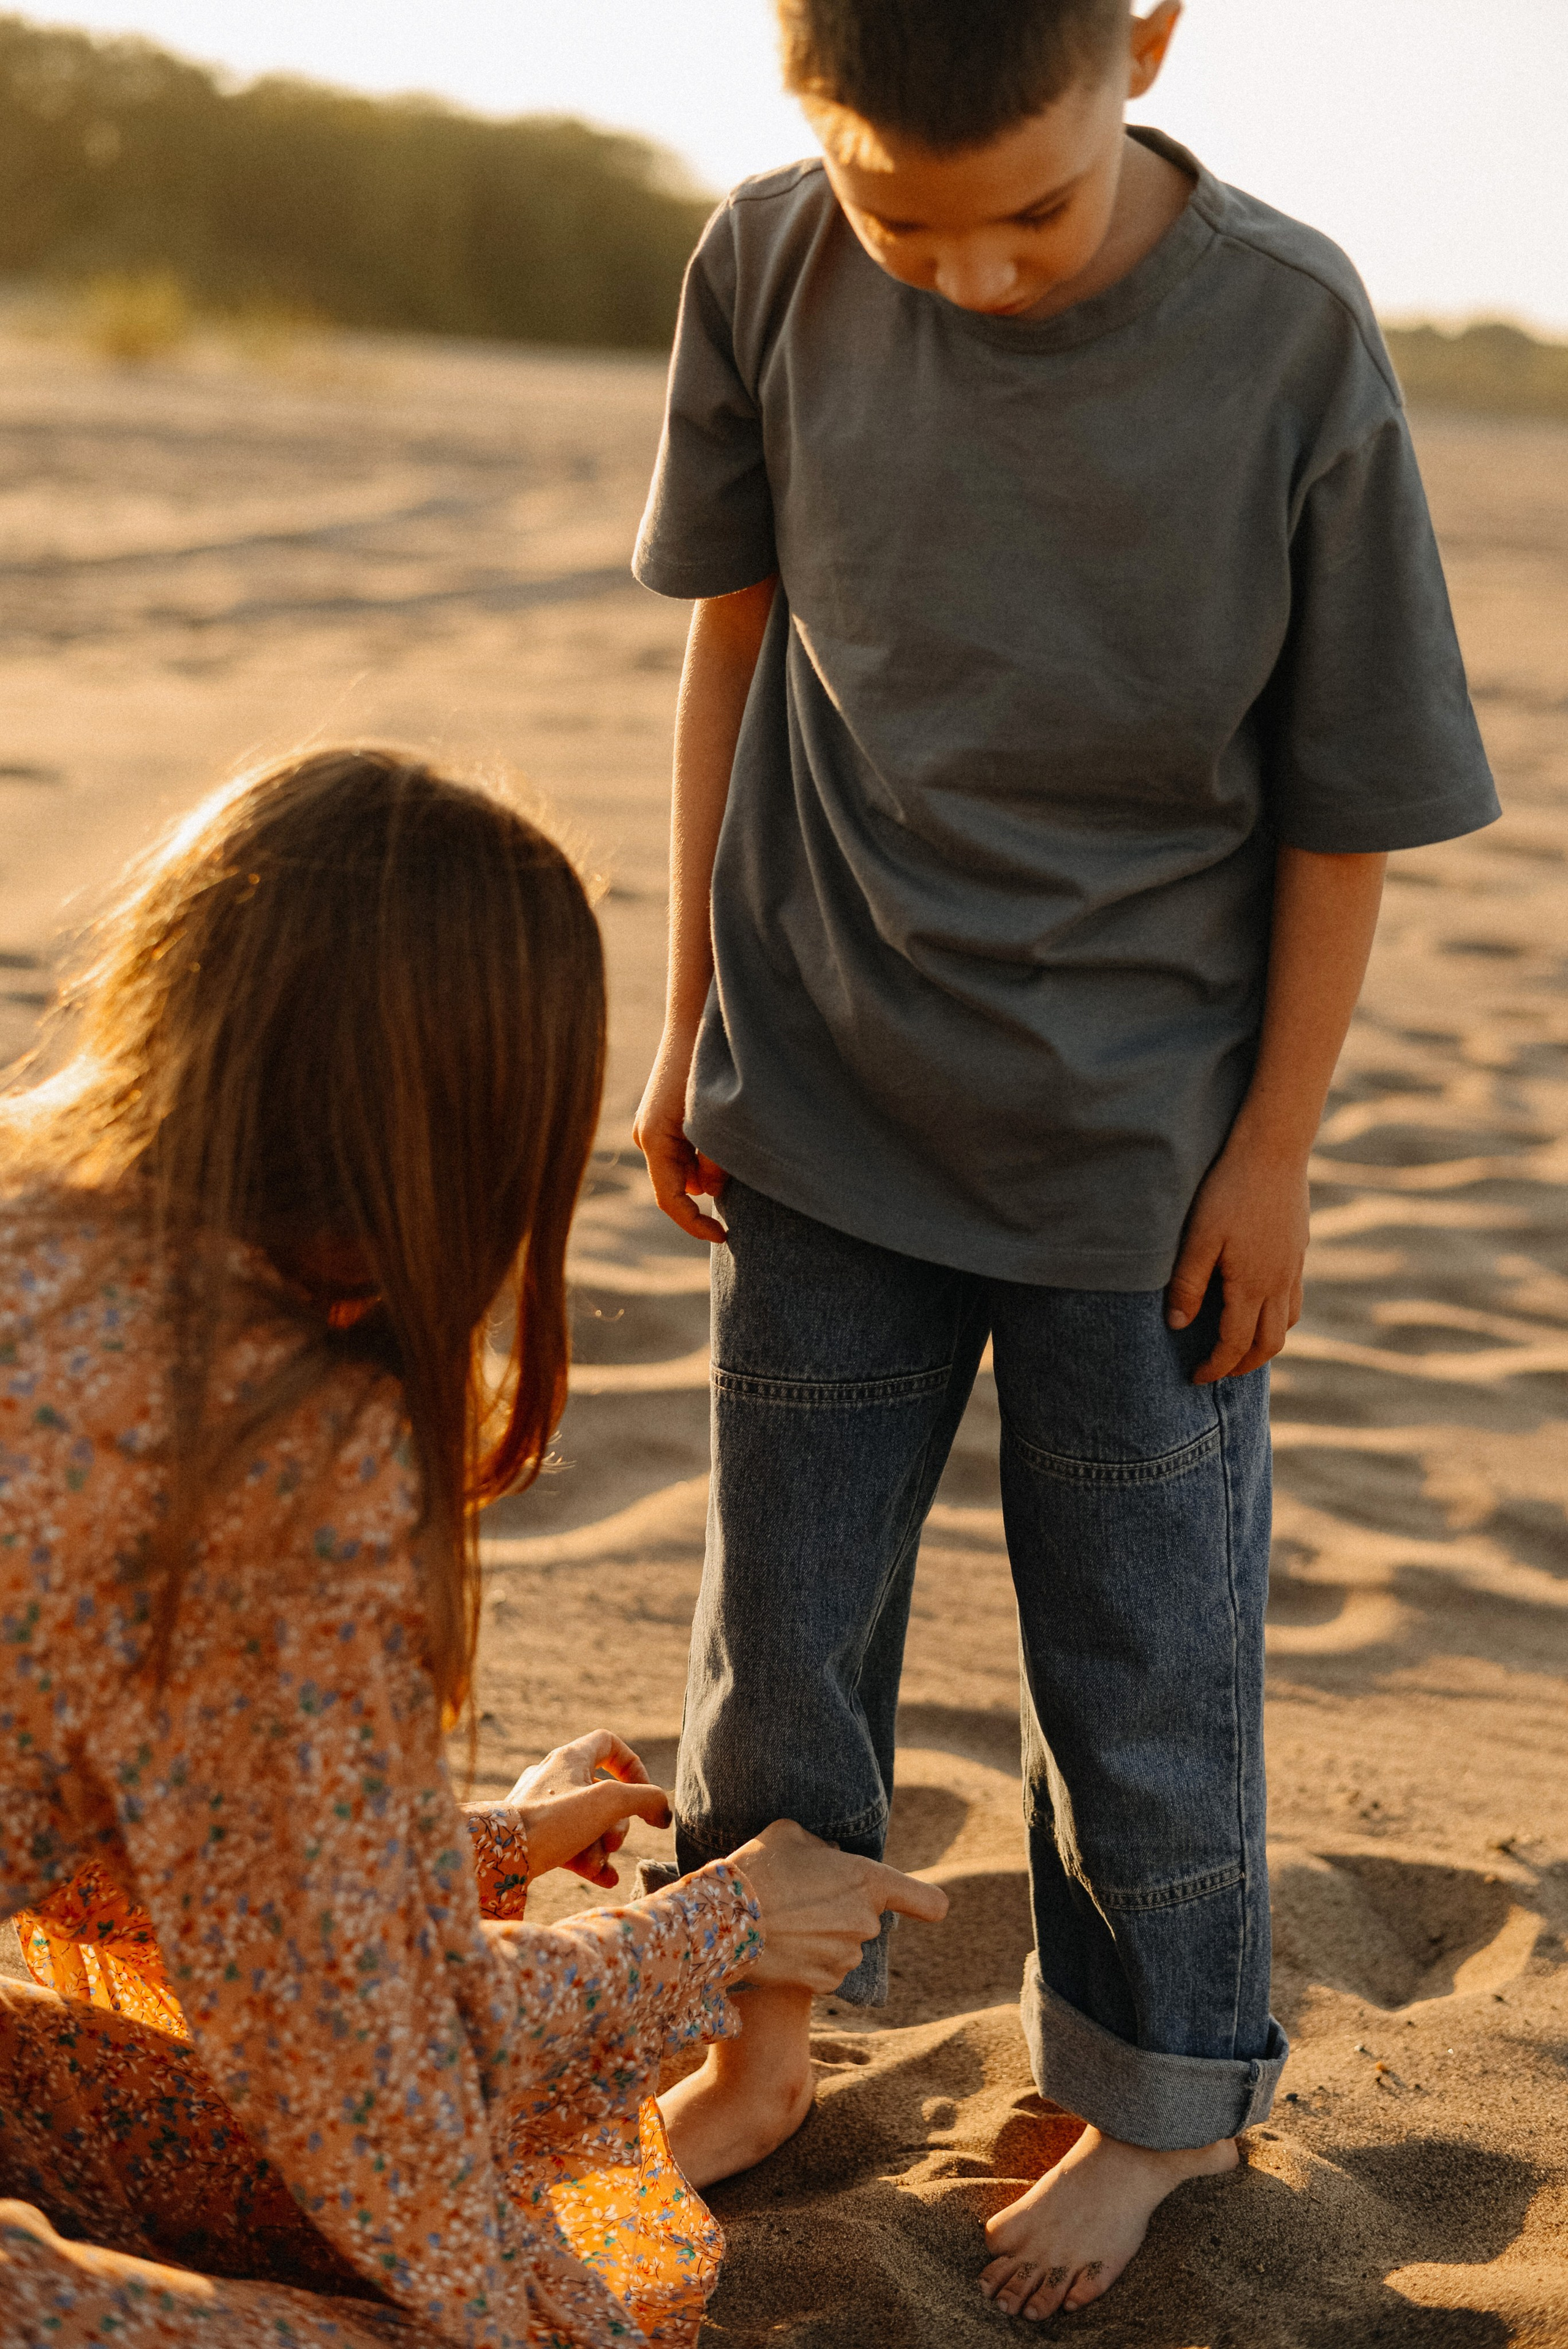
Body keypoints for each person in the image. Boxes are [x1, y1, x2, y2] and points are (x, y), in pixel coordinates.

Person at [630, 0, 1500, 2320]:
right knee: (779, 1626)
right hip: (816, 1100)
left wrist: (1277, 1155)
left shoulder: (1293, 336)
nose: (971, 272)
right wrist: (697, 996)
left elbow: (1347, 803)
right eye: (902, 216)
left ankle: (1153, 2094)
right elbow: (739, 635)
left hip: (1144, 1155)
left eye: (1027, 206)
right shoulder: (767, 267)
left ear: (1144, 36)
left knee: (1144, 1652)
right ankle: (757, 2024)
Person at [0, 746, 946, 2349]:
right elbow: (386, 2060)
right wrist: (719, 1930)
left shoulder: (39, 1217)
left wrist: (459, 1852)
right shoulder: (268, 1439)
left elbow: (114, 1821)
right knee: (514, 2308)